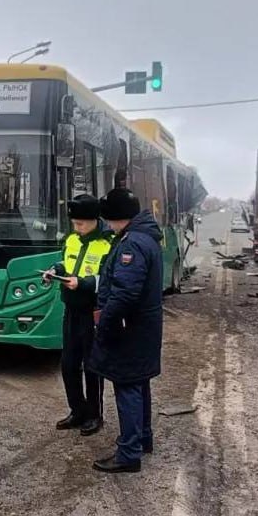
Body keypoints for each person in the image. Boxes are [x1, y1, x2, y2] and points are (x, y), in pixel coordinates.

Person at [87, 188, 163, 473]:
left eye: (108, 218)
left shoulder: (131, 244)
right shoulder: (146, 238)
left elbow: (125, 293)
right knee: (140, 381)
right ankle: (143, 439)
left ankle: (128, 453)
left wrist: (105, 320)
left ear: (118, 217)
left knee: (128, 385)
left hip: (128, 329)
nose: (106, 224)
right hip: (143, 328)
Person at [46, 194, 112, 436]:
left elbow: (106, 279)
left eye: (81, 224)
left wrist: (82, 284)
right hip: (71, 309)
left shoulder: (107, 244)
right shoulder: (72, 240)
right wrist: (55, 271)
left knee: (92, 366)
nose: (77, 228)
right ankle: (77, 410)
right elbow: (66, 263)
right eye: (74, 223)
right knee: (69, 364)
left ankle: (95, 415)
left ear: (95, 220)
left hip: (92, 312)